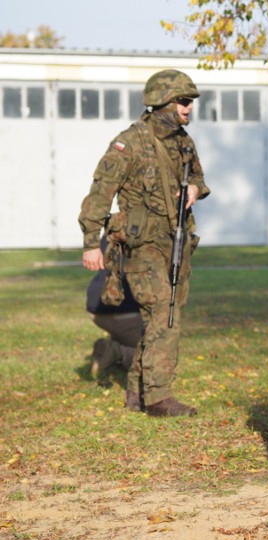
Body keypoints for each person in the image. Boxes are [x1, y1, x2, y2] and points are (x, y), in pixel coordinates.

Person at [78, 69, 210, 417]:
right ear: (162, 102)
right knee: (164, 315)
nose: (188, 108)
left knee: (163, 315)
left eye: (190, 102)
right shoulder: (130, 142)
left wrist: (196, 187)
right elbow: (100, 193)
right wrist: (92, 242)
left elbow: (196, 174)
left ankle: (136, 393)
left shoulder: (182, 141)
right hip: (141, 246)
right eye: (183, 101)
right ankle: (158, 397)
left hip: (176, 242)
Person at [87, 238, 143, 378]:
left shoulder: (113, 226)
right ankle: (118, 351)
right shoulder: (149, 227)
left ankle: (117, 341)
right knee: (157, 358)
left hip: (96, 306)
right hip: (126, 312)